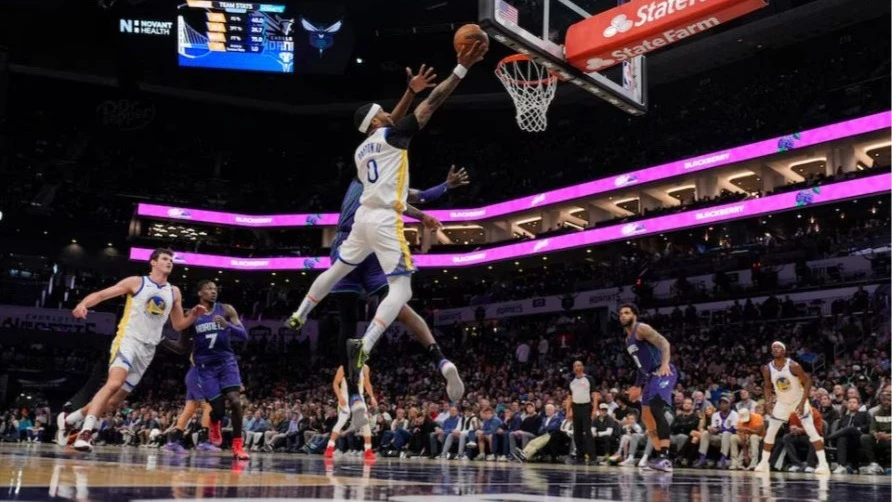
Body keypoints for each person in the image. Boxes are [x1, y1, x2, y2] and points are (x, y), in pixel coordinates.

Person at [284, 41, 488, 429]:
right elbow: (406, 192)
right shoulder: (383, 149)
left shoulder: (364, 159)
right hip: (372, 235)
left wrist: (433, 201)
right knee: (398, 302)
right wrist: (456, 71)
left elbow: (409, 194)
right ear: (376, 122)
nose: (388, 114)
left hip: (353, 241)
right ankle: (431, 361)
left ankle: (363, 392)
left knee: (353, 323)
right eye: (382, 114)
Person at [64, 248, 207, 452]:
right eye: (165, 259)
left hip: (148, 349)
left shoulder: (174, 291)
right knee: (113, 383)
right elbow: (103, 294)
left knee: (113, 402)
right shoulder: (137, 282)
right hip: (128, 339)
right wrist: (83, 303)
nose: (170, 262)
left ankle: (71, 419)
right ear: (153, 262)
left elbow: (177, 325)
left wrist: (193, 314)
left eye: (171, 260)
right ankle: (85, 433)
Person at [168, 280, 250, 460]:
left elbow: (244, 335)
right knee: (217, 410)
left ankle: (238, 446)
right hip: (205, 368)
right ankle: (214, 422)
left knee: (236, 401)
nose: (213, 292)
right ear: (200, 293)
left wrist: (228, 326)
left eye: (215, 289)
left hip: (227, 362)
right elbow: (182, 347)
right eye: (209, 289)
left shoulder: (226, 309)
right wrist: (161, 340)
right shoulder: (192, 314)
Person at [753, 341, 830, 474]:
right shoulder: (767, 368)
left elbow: (808, 382)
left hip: (798, 401)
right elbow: (767, 386)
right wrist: (768, 403)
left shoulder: (793, 366)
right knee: (770, 432)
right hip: (782, 403)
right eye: (773, 348)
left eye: (779, 347)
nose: (776, 349)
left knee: (811, 431)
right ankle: (764, 462)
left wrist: (802, 402)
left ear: (784, 351)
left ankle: (824, 464)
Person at [619, 304, 677, 472]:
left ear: (634, 315)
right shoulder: (627, 339)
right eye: (621, 314)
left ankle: (666, 459)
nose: (622, 316)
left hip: (663, 371)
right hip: (649, 377)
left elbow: (664, 343)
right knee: (646, 417)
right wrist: (637, 386)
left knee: (656, 407)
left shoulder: (641, 328)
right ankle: (659, 455)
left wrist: (665, 364)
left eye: (626, 313)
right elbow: (640, 366)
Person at [325, 364, 377, 461]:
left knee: (365, 422)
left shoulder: (365, 368)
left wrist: (372, 397)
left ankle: (368, 450)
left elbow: (367, 384)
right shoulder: (344, 367)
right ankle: (329, 447)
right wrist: (340, 397)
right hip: (345, 395)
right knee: (342, 420)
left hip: (358, 396)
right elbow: (335, 383)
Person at [163, 367, 218, 454]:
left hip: (194, 376)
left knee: (189, 409)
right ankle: (203, 442)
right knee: (208, 406)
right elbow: (193, 357)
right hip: (198, 377)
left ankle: (173, 442)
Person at [568, 360, 598, 464]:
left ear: (583, 367)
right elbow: (570, 398)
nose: (577, 367)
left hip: (586, 407)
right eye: (575, 365)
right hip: (575, 407)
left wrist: (594, 409)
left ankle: (592, 457)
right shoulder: (572, 381)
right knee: (577, 433)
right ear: (573, 368)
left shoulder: (589, 379)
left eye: (579, 365)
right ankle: (580, 457)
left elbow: (595, 395)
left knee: (588, 432)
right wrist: (569, 411)